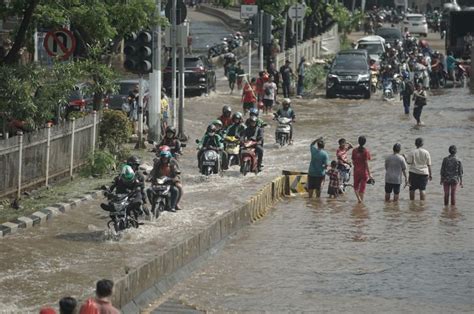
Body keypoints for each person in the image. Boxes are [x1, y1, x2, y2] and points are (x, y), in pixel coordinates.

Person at [351, 136, 373, 203]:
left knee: (355, 187)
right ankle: (361, 201)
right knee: (362, 188)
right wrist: (370, 174)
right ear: (365, 142)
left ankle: (359, 199)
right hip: (363, 173)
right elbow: (366, 163)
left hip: (356, 172)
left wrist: (356, 166)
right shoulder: (366, 151)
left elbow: (353, 161)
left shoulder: (354, 150)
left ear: (358, 141)